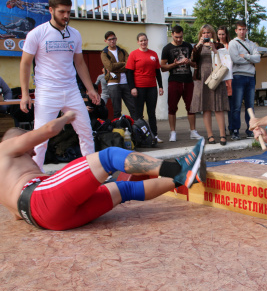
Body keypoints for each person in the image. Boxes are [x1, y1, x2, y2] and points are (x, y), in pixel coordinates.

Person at [0, 110, 206, 231]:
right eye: (29, 150)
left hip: (49, 221)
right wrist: (67, 116)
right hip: (42, 198)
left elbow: (17, 215)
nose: (34, 155)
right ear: (17, 141)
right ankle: (177, 169)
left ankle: (184, 178)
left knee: (122, 190)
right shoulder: (5, 147)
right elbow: (48, 130)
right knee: (108, 157)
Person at [19, 0, 100, 171]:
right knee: (41, 138)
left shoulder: (75, 34)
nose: (66, 16)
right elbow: (25, 64)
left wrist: (90, 89)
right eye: (62, 11)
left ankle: (92, 172)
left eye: (69, 12)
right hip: (47, 92)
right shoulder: (37, 34)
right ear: (51, 10)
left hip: (71, 91)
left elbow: (79, 63)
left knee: (86, 131)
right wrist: (25, 94)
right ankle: (34, 177)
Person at [161, 25, 202, 142]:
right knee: (172, 107)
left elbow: (196, 64)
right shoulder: (166, 48)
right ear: (172, 35)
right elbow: (162, 67)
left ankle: (193, 131)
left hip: (188, 80)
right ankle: (172, 132)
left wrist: (189, 62)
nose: (179, 39)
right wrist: (174, 64)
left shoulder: (188, 46)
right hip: (174, 80)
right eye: (176, 37)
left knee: (191, 107)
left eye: (181, 37)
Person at [190, 25, 230, 146]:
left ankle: (223, 135)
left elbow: (224, 60)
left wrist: (214, 49)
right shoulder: (197, 47)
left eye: (208, 33)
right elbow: (193, 59)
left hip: (216, 78)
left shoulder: (219, 45)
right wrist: (198, 45)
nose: (206, 35)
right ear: (201, 35)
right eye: (204, 33)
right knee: (206, 107)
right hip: (203, 79)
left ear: (212, 34)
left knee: (218, 107)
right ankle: (210, 135)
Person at [126, 33, 164, 143]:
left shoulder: (153, 54)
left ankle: (154, 135)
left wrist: (160, 86)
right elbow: (129, 73)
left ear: (147, 41)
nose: (143, 42)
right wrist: (132, 88)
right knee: (138, 114)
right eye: (141, 41)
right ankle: (139, 137)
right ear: (138, 42)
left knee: (151, 113)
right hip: (139, 87)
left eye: (145, 40)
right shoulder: (133, 54)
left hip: (152, 87)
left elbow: (157, 71)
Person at [228, 20, 260, 140]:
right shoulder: (233, 43)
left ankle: (250, 129)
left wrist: (246, 56)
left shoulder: (252, 44)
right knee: (236, 106)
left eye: (244, 29)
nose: (242, 31)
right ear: (236, 30)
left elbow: (258, 58)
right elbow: (235, 59)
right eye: (239, 29)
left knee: (250, 106)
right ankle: (235, 130)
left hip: (251, 77)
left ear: (246, 30)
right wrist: (251, 60)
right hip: (238, 76)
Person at [101, 31, 136, 119]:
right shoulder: (104, 53)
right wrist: (122, 64)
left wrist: (115, 67)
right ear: (106, 41)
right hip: (113, 83)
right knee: (117, 109)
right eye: (109, 39)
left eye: (113, 39)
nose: (112, 41)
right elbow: (110, 66)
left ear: (116, 39)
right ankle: (118, 129)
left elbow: (129, 65)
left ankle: (136, 127)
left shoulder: (123, 51)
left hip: (125, 82)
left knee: (133, 107)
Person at [217, 25, 233, 136]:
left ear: (226, 34)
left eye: (223, 34)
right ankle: (223, 130)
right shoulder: (215, 45)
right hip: (219, 77)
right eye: (219, 34)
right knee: (221, 106)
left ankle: (231, 127)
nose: (221, 36)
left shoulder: (230, 45)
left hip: (230, 77)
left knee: (231, 106)